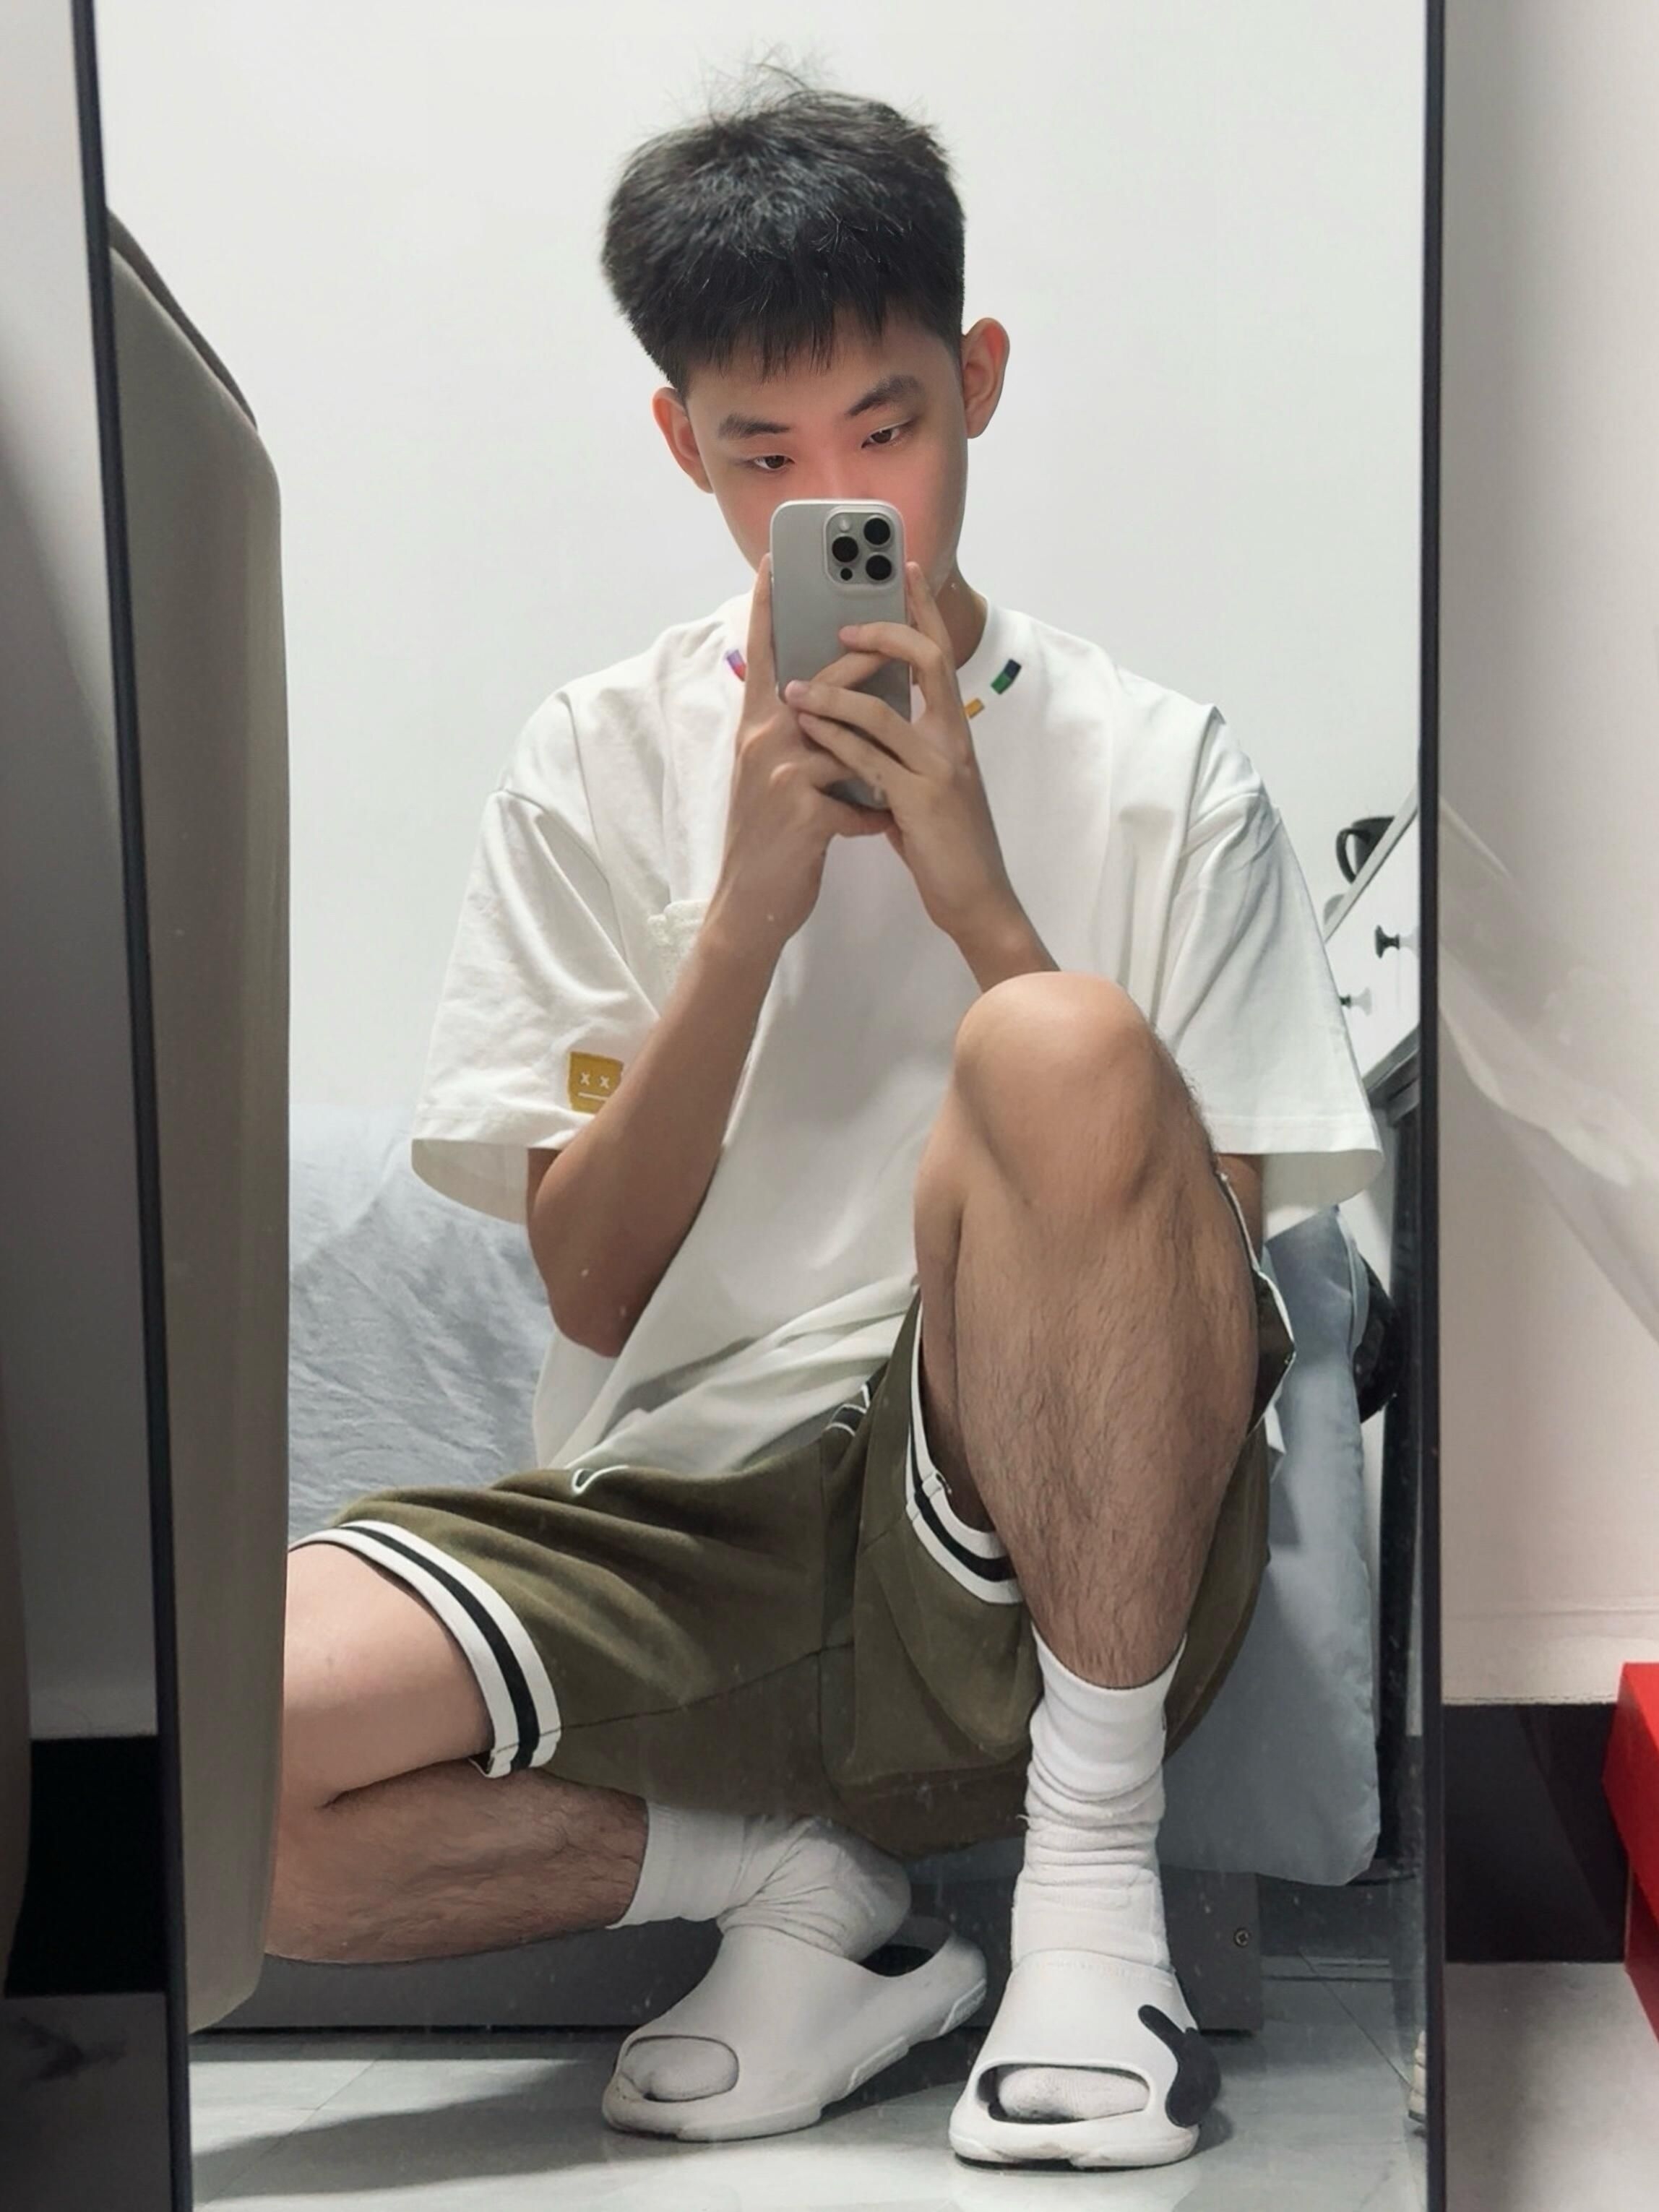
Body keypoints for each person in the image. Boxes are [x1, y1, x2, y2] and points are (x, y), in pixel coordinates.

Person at [272, 67, 1383, 2171]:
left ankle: (1090, 1913)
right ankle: (803, 1896)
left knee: (1057, 1045)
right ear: (680, 444)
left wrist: (974, 896)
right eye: (766, 457)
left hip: (1041, 1521)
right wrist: (745, 921)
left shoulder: (1162, 765)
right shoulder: (592, 758)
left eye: (890, 431)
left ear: (980, 386)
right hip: (684, 1512)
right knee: (194, 1778)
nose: (842, 491)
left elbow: (1217, 1276)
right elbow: (594, 1285)